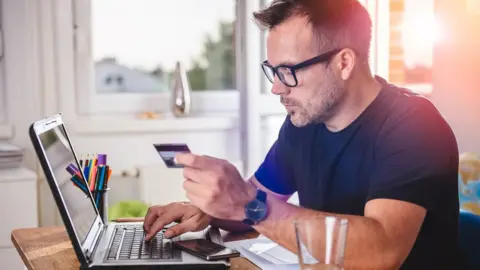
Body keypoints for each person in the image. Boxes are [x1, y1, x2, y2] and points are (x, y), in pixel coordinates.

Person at [143, 0, 460, 269]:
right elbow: (256, 200)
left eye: (288, 71)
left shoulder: (414, 126)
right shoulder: (303, 124)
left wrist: (246, 204)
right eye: (273, 70)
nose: (276, 87)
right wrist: (214, 209)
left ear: (344, 62)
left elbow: (382, 250)